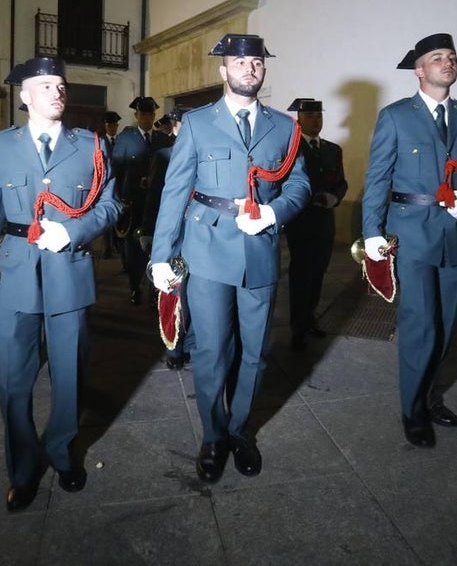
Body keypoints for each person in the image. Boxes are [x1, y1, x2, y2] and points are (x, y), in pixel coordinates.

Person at [0, 55, 119, 512]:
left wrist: (73, 230)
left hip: (69, 272)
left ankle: (63, 453)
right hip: (13, 274)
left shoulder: (90, 145)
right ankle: (23, 468)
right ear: (24, 95)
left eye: (60, 85)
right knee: (12, 379)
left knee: (69, 374)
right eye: (45, 85)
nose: (56, 92)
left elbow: (110, 205)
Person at [149, 33, 310, 483]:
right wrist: (162, 255)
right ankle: (213, 436)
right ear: (223, 70)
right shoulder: (199, 123)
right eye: (240, 62)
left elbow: (299, 185)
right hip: (206, 248)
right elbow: (175, 190)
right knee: (211, 349)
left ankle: (240, 430)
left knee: (257, 351)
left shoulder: (285, 127)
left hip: (259, 247)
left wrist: (274, 213)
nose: (250, 69)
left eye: (257, 62)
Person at [361, 32, 457, 449]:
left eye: (451, 57)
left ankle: (431, 396)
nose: (447, 63)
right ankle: (412, 410)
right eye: (437, 58)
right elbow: (377, 177)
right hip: (411, 233)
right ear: (419, 69)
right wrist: (371, 232)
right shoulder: (396, 115)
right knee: (420, 325)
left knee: (446, 328)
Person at [284, 98, 348, 351]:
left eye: (318, 115)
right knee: (301, 273)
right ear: (299, 119)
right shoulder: (291, 148)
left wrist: (333, 197)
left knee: (319, 270)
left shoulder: (333, 149)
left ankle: (309, 318)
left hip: (324, 218)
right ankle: (297, 326)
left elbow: (340, 183)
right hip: (300, 220)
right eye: (309, 116)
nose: (315, 120)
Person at [141, 107, 193, 370]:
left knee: (195, 294)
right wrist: (149, 233)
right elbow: (154, 198)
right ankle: (174, 347)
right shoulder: (163, 156)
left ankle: (191, 342)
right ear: (173, 128)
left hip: (197, 235)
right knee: (172, 292)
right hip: (171, 235)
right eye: (182, 126)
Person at [111, 96, 169, 304]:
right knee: (134, 249)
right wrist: (118, 200)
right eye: (142, 114)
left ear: (154, 116)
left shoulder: (163, 139)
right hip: (133, 203)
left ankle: (155, 288)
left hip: (157, 204)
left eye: (150, 114)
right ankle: (135, 286)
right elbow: (116, 170)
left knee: (157, 246)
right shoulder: (126, 138)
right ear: (136, 116)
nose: (146, 118)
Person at [99, 112, 122, 259]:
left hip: (120, 183)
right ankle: (106, 247)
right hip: (106, 185)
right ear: (105, 126)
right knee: (106, 216)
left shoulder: (121, 140)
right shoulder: (100, 142)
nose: (112, 128)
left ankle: (117, 245)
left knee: (119, 217)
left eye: (114, 125)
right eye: (109, 125)